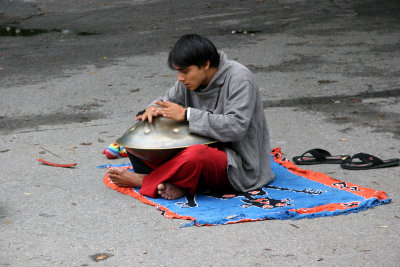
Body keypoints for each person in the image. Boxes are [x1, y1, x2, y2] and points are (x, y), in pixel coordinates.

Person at [108, 34, 274, 200]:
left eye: (185, 71)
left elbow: (236, 128)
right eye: (178, 72)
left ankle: (145, 180)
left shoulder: (240, 79)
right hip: (196, 150)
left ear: (205, 65)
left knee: (196, 155)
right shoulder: (187, 82)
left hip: (236, 163)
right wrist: (151, 110)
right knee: (136, 138)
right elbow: (164, 103)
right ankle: (180, 183)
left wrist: (187, 115)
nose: (180, 78)